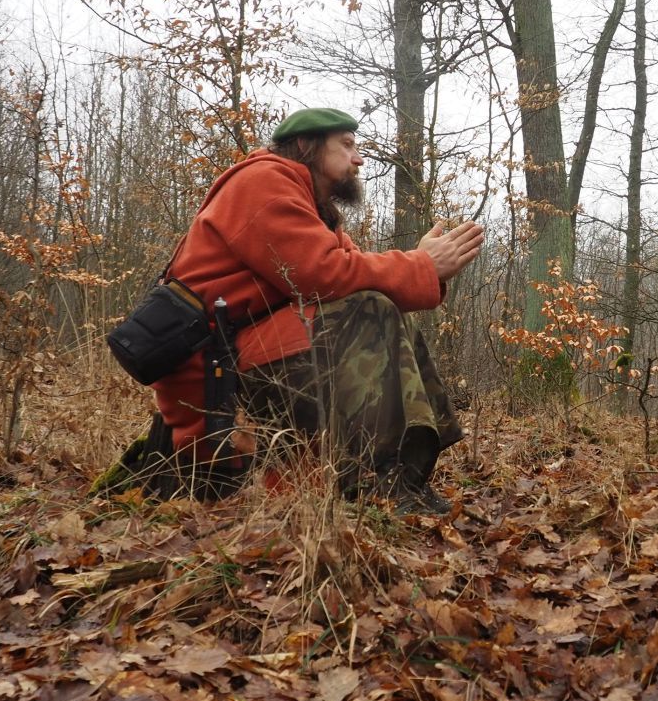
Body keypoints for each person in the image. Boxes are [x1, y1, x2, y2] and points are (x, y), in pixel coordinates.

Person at [96, 107, 484, 513]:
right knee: (369, 309)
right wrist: (419, 264)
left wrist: (424, 268)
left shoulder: (310, 204)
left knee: (379, 306)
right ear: (306, 145)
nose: (359, 158)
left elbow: (353, 271)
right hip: (216, 374)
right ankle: (377, 485)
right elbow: (321, 273)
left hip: (252, 353)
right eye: (347, 145)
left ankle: (401, 479)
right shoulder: (264, 181)